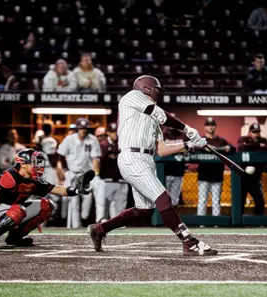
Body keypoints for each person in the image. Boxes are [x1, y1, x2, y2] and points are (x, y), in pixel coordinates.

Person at [88, 75, 218, 256]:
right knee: (163, 198)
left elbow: (162, 150)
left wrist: (190, 144)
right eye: (157, 90)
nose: (159, 94)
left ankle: (100, 229)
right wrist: (186, 128)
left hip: (147, 160)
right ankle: (189, 242)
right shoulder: (132, 97)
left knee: (144, 210)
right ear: (148, 88)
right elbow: (161, 115)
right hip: (132, 157)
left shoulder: (153, 119)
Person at [0, 149, 93, 246]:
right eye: (35, 163)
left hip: (8, 211)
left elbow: (57, 189)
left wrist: (77, 190)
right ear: (23, 164)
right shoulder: (9, 178)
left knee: (46, 206)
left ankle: (14, 238)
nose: (39, 166)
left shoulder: (33, 180)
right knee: (18, 210)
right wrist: (10, 209)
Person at [56, 118, 106, 227]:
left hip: (87, 173)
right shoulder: (69, 139)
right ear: (77, 129)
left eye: (85, 128)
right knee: (73, 199)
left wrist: (96, 175)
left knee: (100, 185)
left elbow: (95, 159)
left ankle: (100, 217)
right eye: (81, 128)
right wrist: (60, 170)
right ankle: (75, 226)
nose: (83, 130)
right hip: (72, 172)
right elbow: (60, 155)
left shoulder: (92, 139)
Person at [197, 117, 235, 216]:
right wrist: (220, 149)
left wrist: (214, 149)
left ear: (215, 127)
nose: (210, 127)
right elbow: (196, 148)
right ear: (205, 127)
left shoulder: (221, 140)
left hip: (217, 176)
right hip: (204, 175)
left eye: (212, 125)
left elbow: (232, 148)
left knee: (216, 201)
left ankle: (216, 224)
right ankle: (201, 223)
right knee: (202, 201)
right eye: (208, 125)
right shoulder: (201, 140)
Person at [237, 123, 267, 215]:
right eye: (254, 132)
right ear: (249, 133)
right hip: (243, 178)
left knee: (260, 201)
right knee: (240, 202)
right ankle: (239, 223)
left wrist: (254, 147)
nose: (256, 134)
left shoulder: (264, 140)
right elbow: (242, 147)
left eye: (258, 132)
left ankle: (258, 222)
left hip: (255, 178)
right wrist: (259, 146)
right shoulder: (243, 139)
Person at [99, 122, 128, 219]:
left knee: (121, 203)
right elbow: (100, 162)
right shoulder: (103, 145)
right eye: (112, 132)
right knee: (105, 203)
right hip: (107, 179)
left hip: (121, 179)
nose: (115, 134)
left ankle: (120, 224)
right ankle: (104, 224)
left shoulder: (124, 143)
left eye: (116, 131)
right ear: (107, 132)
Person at [162, 125, 187, 208]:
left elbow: (189, 147)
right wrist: (179, 148)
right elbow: (159, 148)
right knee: (163, 196)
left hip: (178, 171)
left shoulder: (183, 135)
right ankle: (161, 219)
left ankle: (172, 218)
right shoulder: (163, 134)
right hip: (165, 171)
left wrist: (170, 148)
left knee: (175, 198)